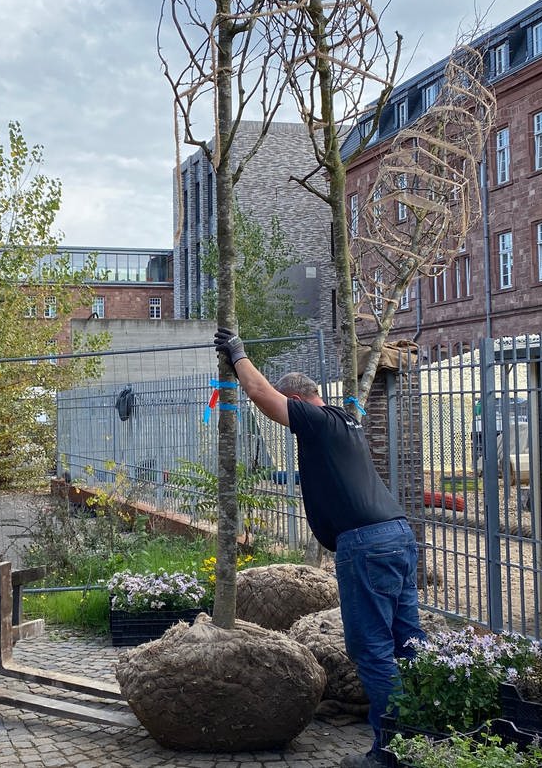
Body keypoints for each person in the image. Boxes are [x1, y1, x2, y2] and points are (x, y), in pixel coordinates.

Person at [214, 327, 423, 767]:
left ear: (299, 399)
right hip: (397, 536)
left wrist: (237, 352)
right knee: (409, 644)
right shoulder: (346, 421)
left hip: (366, 546)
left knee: (373, 651)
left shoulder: (317, 419)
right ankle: (428, 735)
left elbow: (260, 393)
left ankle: (392, 754)